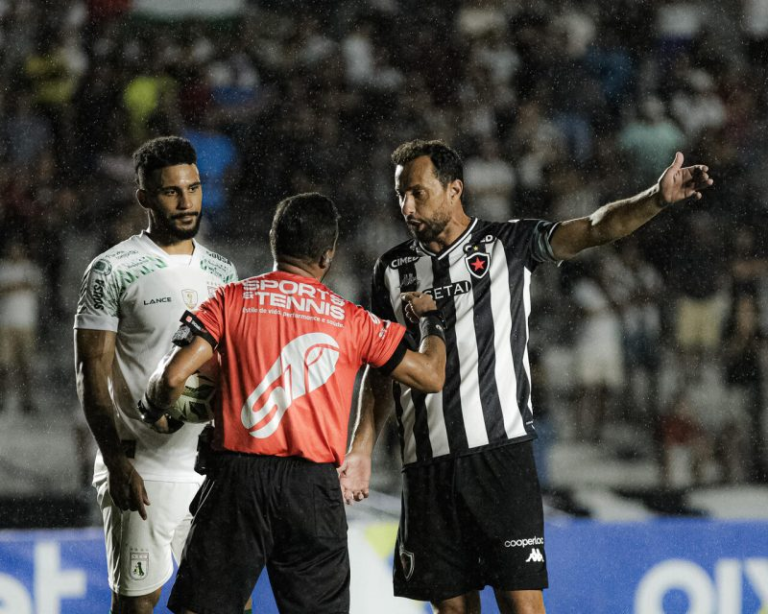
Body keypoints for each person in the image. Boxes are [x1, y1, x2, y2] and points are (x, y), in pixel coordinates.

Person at [339, 139, 712, 614]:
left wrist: (655, 198)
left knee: (522, 605)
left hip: (499, 459)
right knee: (453, 611)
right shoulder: (391, 269)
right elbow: (382, 364)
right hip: (426, 468)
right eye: (400, 196)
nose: (406, 206)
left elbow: (596, 228)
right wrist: (363, 445)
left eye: (417, 193)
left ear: (455, 190)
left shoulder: (508, 243)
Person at [139, 192, 447, 614]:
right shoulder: (351, 319)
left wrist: (155, 409)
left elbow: (172, 377)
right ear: (328, 256)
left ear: (273, 240)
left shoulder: (231, 300)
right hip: (312, 490)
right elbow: (430, 375)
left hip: (237, 482)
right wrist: (432, 318)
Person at [74, 136, 238, 614]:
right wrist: (116, 462)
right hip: (141, 469)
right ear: (144, 196)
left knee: (222, 602)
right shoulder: (112, 270)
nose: (186, 201)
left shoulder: (221, 271)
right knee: (138, 604)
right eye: (171, 192)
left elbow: (228, 369)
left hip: (204, 471)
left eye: (194, 188)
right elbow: (91, 374)